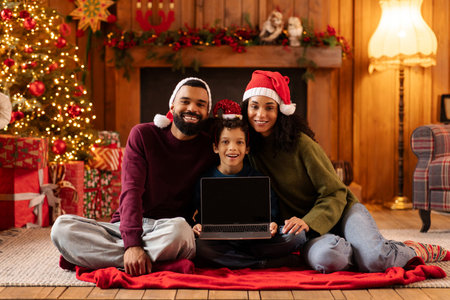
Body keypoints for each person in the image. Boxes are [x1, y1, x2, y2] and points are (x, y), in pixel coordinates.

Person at [240, 70, 449, 273]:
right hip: (307, 231)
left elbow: (335, 192)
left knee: (375, 260)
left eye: (269, 107)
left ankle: (411, 249)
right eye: (254, 106)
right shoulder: (245, 148)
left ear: (280, 111)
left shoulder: (301, 143)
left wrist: (308, 221)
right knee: (328, 259)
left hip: (341, 212)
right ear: (245, 108)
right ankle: (362, 248)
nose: (260, 114)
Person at [51, 77, 217, 276]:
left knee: (182, 231)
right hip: (127, 225)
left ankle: (105, 259)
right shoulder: (144, 135)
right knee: (61, 228)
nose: (192, 108)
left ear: (208, 113)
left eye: (201, 104)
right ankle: (156, 263)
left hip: (169, 230)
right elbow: (131, 191)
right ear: (172, 106)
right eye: (185, 101)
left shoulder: (211, 148)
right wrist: (131, 245)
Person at [193, 99, 305, 269]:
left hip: (256, 238)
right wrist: (198, 226)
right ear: (215, 147)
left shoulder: (258, 178)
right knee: (200, 246)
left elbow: (272, 217)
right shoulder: (204, 179)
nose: (232, 148)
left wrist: (272, 224)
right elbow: (197, 218)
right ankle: (262, 263)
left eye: (239, 142)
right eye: (225, 142)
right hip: (221, 240)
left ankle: (238, 260)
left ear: (247, 148)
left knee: (298, 236)